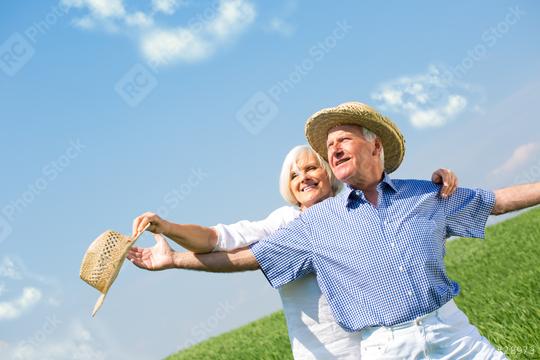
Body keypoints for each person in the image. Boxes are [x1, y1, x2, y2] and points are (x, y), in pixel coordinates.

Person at [135, 101, 540, 359]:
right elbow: (240, 254)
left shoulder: (424, 194)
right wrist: (173, 258)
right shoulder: (305, 225)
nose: (333, 151)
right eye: (329, 147)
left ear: (374, 146)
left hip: (450, 331)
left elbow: (496, 200)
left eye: (341, 141)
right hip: (378, 347)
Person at [128, 144, 458, 359]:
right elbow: (218, 239)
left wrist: (438, 185)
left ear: (329, 173)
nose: (304, 178)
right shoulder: (283, 223)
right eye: (294, 175)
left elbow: (399, 216)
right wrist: (169, 230)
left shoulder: (356, 209)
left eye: (311, 168)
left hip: (384, 344)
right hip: (326, 352)